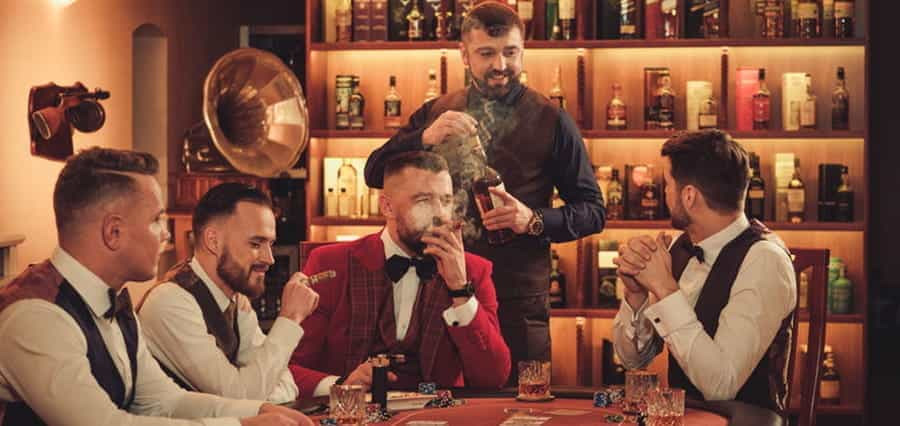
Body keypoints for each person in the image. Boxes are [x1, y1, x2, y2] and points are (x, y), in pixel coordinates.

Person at [363, 1, 604, 379]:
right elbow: (374, 172)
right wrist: (423, 138)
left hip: (517, 297)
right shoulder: (436, 113)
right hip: (437, 290)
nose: (501, 65)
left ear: (524, 49)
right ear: (464, 54)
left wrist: (533, 219)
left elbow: (594, 211)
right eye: (486, 54)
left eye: (511, 53)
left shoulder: (553, 119)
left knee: (522, 409)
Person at [0, 147, 311, 426]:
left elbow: (163, 401)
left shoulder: (115, 301)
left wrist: (260, 410)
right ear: (114, 232)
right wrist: (240, 425)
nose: (166, 235)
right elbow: (103, 423)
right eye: (156, 220)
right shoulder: (36, 316)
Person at [289, 151, 511, 397]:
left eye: (446, 200)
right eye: (424, 200)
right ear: (387, 206)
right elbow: (289, 370)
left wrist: (460, 289)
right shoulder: (330, 263)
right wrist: (342, 384)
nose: (439, 213)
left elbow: (493, 377)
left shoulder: (474, 271)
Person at [611, 130, 797, 411]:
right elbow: (632, 361)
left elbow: (721, 385)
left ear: (688, 196)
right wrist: (635, 294)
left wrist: (665, 289)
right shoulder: (678, 248)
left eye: (667, 184)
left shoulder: (765, 262)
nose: (665, 193)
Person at [137, 183, 319, 403]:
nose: (269, 258)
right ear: (213, 241)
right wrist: (290, 318)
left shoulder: (235, 299)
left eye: (270, 244)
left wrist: (256, 390)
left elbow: (286, 386)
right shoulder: (170, 303)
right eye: (255, 243)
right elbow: (241, 395)